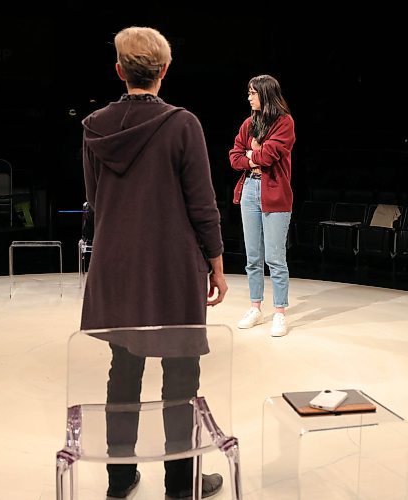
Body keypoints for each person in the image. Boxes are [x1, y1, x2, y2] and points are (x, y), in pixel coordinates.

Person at [80, 26, 228, 499]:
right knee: (181, 374)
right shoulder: (184, 124)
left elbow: (94, 200)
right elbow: (202, 203)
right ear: (164, 71)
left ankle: (119, 479)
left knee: (123, 370)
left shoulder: (93, 127)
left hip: (118, 263)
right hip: (172, 265)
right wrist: (217, 263)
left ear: (119, 70)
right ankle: (181, 484)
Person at [229, 74, 295, 337]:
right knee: (253, 257)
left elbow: (269, 155)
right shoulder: (248, 123)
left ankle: (280, 312)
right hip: (249, 191)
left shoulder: (285, 122)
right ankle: (255, 307)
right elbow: (234, 157)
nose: (249, 97)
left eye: (252, 93)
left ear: (265, 94)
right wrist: (251, 157)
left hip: (275, 192)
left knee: (275, 259)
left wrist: (252, 154)